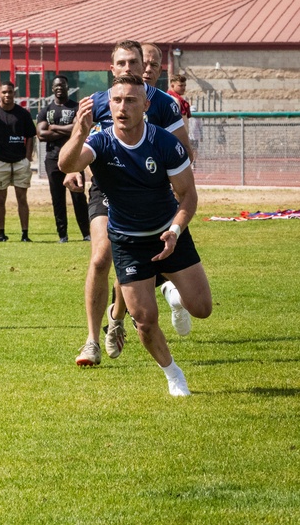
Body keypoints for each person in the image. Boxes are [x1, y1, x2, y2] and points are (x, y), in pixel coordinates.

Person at [60, 74, 211, 396]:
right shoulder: (100, 140)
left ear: (146, 105)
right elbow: (67, 163)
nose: (122, 107)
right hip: (128, 241)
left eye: (130, 100)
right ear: (108, 105)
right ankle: (174, 375)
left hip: (168, 234)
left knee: (202, 308)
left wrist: (175, 230)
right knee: (144, 319)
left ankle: (176, 297)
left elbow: (188, 196)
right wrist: (78, 131)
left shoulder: (165, 143)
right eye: (116, 100)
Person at [0, 80, 36, 242]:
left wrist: (27, 158)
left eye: (10, 92)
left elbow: (30, 137)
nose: (7, 95)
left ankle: (25, 234)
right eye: (4, 92)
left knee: (22, 198)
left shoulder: (23, 114)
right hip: (0, 162)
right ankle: (1, 233)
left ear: (14, 93)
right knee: (0, 199)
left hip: (20, 162)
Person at [37, 76, 89, 242]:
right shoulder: (46, 110)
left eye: (63, 85)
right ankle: (62, 235)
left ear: (68, 87)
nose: (60, 88)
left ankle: (87, 233)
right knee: (57, 198)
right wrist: (66, 130)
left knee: (78, 197)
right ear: (52, 88)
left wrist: (53, 127)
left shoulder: (75, 107)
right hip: (52, 159)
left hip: (74, 158)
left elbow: (77, 128)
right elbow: (41, 134)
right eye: (56, 86)